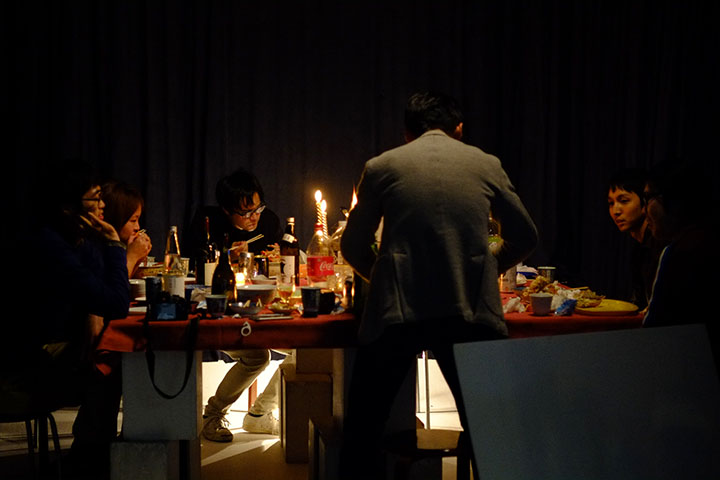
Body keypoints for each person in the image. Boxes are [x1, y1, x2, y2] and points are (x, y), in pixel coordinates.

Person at [338, 91, 538, 478]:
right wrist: (485, 267)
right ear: (458, 128)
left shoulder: (382, 166)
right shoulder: (486, 164)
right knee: (488, 428)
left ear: (407, 132)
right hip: (467, 308)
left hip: (398, 309)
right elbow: (525, 236)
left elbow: (352, 245)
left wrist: (382, 275)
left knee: (364, 428)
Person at [5, 158, 131, 479]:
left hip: (47, 348)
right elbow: (117, 302)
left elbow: (100, 289)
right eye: (95, 198)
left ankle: (90, 454)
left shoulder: (75, 240)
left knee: (111, 356)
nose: (103, 205)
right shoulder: (49, 246)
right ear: (67, 208)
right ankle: (89, 461)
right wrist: (115, 244)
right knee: (111, 363)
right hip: (23, 365)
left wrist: (92, 310)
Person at [185, 168, 289, 441]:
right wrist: (226, 257)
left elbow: (279, 267)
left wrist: (277, 258)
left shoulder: (269, 221)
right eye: (245, 213)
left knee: (307, 348)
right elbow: (194, 268)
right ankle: (212, 415)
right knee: (258, 357)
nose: (254, 216)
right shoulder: (208, 224)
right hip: (219, 311)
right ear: (226, 210)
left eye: (257, 208)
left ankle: (259, 413)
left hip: (261, 308)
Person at [642, 161, 717, 371]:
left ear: (671, 200)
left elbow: (656, 331)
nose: (644, 210)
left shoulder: (680, 251)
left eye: (647, 198)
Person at [607, 168, 664, 310]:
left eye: (624, 201)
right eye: (611, 203)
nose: (616, 211)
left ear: (645, 202)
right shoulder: (639, 247)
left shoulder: (659, 245)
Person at [102, 180, 153, 278]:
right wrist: (133, 255)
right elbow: (117, 285)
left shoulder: (121, 248)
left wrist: (139, 257)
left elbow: (127, 278)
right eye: (133, 220)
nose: (138, 227)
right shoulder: (100, 252)